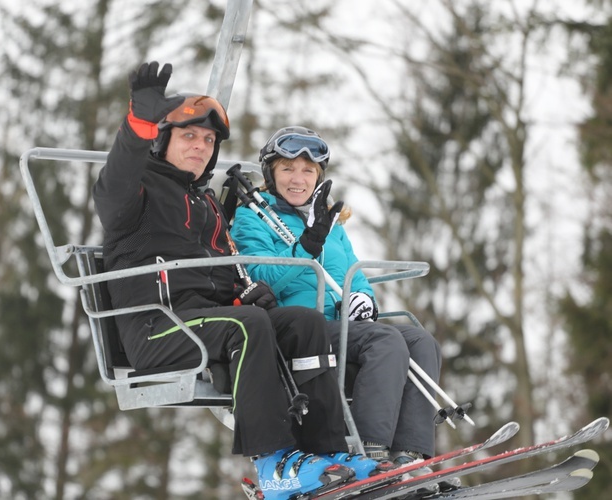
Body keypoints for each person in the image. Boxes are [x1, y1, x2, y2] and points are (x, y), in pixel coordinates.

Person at [93, 64, 383, 499]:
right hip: (158, 324)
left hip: (208, 317)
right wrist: (138, 123)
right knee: (247, 325)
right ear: (163, 139)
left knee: (302, 322)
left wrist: (247, 289)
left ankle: (327, 452)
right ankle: (273, 462)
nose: (200, 147)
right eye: (188, 136)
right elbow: (113, 184)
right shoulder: (137, 193)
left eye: (208, 140)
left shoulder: (205, 200)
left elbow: (229, 263)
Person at [231, 126, 456, 491]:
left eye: (307, 171)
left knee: (419, 341)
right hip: (299, 329)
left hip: (342, 324)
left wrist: (363, 299)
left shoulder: (331, 224)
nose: (297, 179)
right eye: (287, 169)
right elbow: (257, 275)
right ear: (271, 173)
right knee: (383, 342)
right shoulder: (252, 218)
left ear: (318, 177)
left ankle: (411, 456)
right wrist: (306, 245)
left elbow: (354, 272)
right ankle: (371, 452)